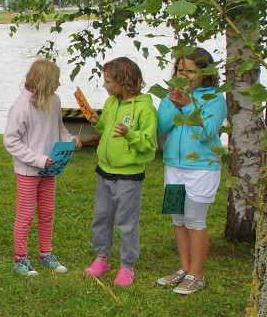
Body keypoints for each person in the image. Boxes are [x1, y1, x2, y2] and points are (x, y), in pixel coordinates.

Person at [156, 48, 226, 295]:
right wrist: (175, 104)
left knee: (194, 220)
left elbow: (206, 130)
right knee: (177, 218)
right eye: (180, 69)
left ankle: (197, 274)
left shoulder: (214, 99)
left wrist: (187, 105)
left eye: (191, 71)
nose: (184, 75)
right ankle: (184, 269)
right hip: (174, 167)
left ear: (205, 74)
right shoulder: (171, 95)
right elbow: (162, 126)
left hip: (201, 169)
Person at [83, 57, 158, 287]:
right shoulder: (111, 103)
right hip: (104, 171)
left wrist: (130, 134)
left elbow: (149, 145)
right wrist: (98, 122)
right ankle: (101, 258)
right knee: (102, 216)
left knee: (127, 221)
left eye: (107, 81)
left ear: (123, 82)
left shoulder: (145, 108)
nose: (104, 85)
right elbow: (108, 128)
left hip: (128, 176)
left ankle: (127, 266)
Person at [3, 59, 82, 276]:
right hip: (29, 170)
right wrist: (37, 159)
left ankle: (45, 254)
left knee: (47, 212)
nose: (59, 83)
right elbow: (10, 140)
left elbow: (59, 127)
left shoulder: (54, 101)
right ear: (45, 81)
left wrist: (70, 140)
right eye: (55, 79)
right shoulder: (21, 106)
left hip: (51, 168)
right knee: (26, 214)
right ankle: (20, 258)